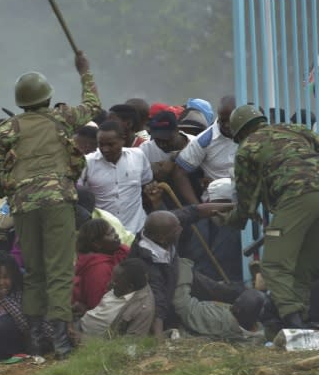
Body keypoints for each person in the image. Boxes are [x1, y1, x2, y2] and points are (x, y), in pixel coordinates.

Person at [0, 50, 100, 359]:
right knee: (60, 271)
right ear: (48, 97)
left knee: (34, 271)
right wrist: (84, 71)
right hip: (57, 200)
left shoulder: (8, 129)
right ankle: (61, 343)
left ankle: (35, 340)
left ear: (20, 101)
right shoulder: (62, 117)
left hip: (23, 203)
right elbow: (93, 106)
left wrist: (8, 192)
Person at [224, 104, 319, 330]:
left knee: (274, 265)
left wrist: (229, 219)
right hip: (307, 197)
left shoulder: (247, 147)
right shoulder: (296, 129)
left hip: (297, 198)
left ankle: (293, 323)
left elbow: (246, 202)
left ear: (240, 133)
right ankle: (305, 321)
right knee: (302, 265)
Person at [130, 206, 236, 336]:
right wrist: (158, 342)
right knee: (185, 310)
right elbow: (158, 303)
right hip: (168, 289)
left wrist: (234, 206)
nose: (180, 229)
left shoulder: (168, 222)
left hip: (178, 270)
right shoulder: (149, 265)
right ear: (162, 239)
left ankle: (239, 295)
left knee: (216, 289)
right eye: (176, 231)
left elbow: (195, 211)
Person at [79, 120, 153, 234]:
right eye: (101, 144)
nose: (105, 149)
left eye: (110, 144)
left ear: (123, 139)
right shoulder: (87, 163)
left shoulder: (138, 156)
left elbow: (146, 181)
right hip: (105, 234)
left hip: (137, 228)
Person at [174, 96, 237, 204]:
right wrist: (198, 208)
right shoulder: (204, 141)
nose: (226, 125)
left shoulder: (252, 134)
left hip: (249, 202)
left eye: (230, 120)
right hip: (217, 206)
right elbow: (179, 172)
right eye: (223, 120)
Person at [76, 259, 155, 339]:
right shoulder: (123, 286)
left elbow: (125, 346)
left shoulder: (142, 310)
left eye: (115, 281)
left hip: (90, 343)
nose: (109, 284)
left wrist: (84, 339)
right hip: (79, 324)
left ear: (130, 287)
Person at [74, 218, 131, 311]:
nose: (116, 235)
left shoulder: (116, 252)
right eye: (110, 234)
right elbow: (98, 306)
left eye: (114, 231)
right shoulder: (99, 269)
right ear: (97, 243)